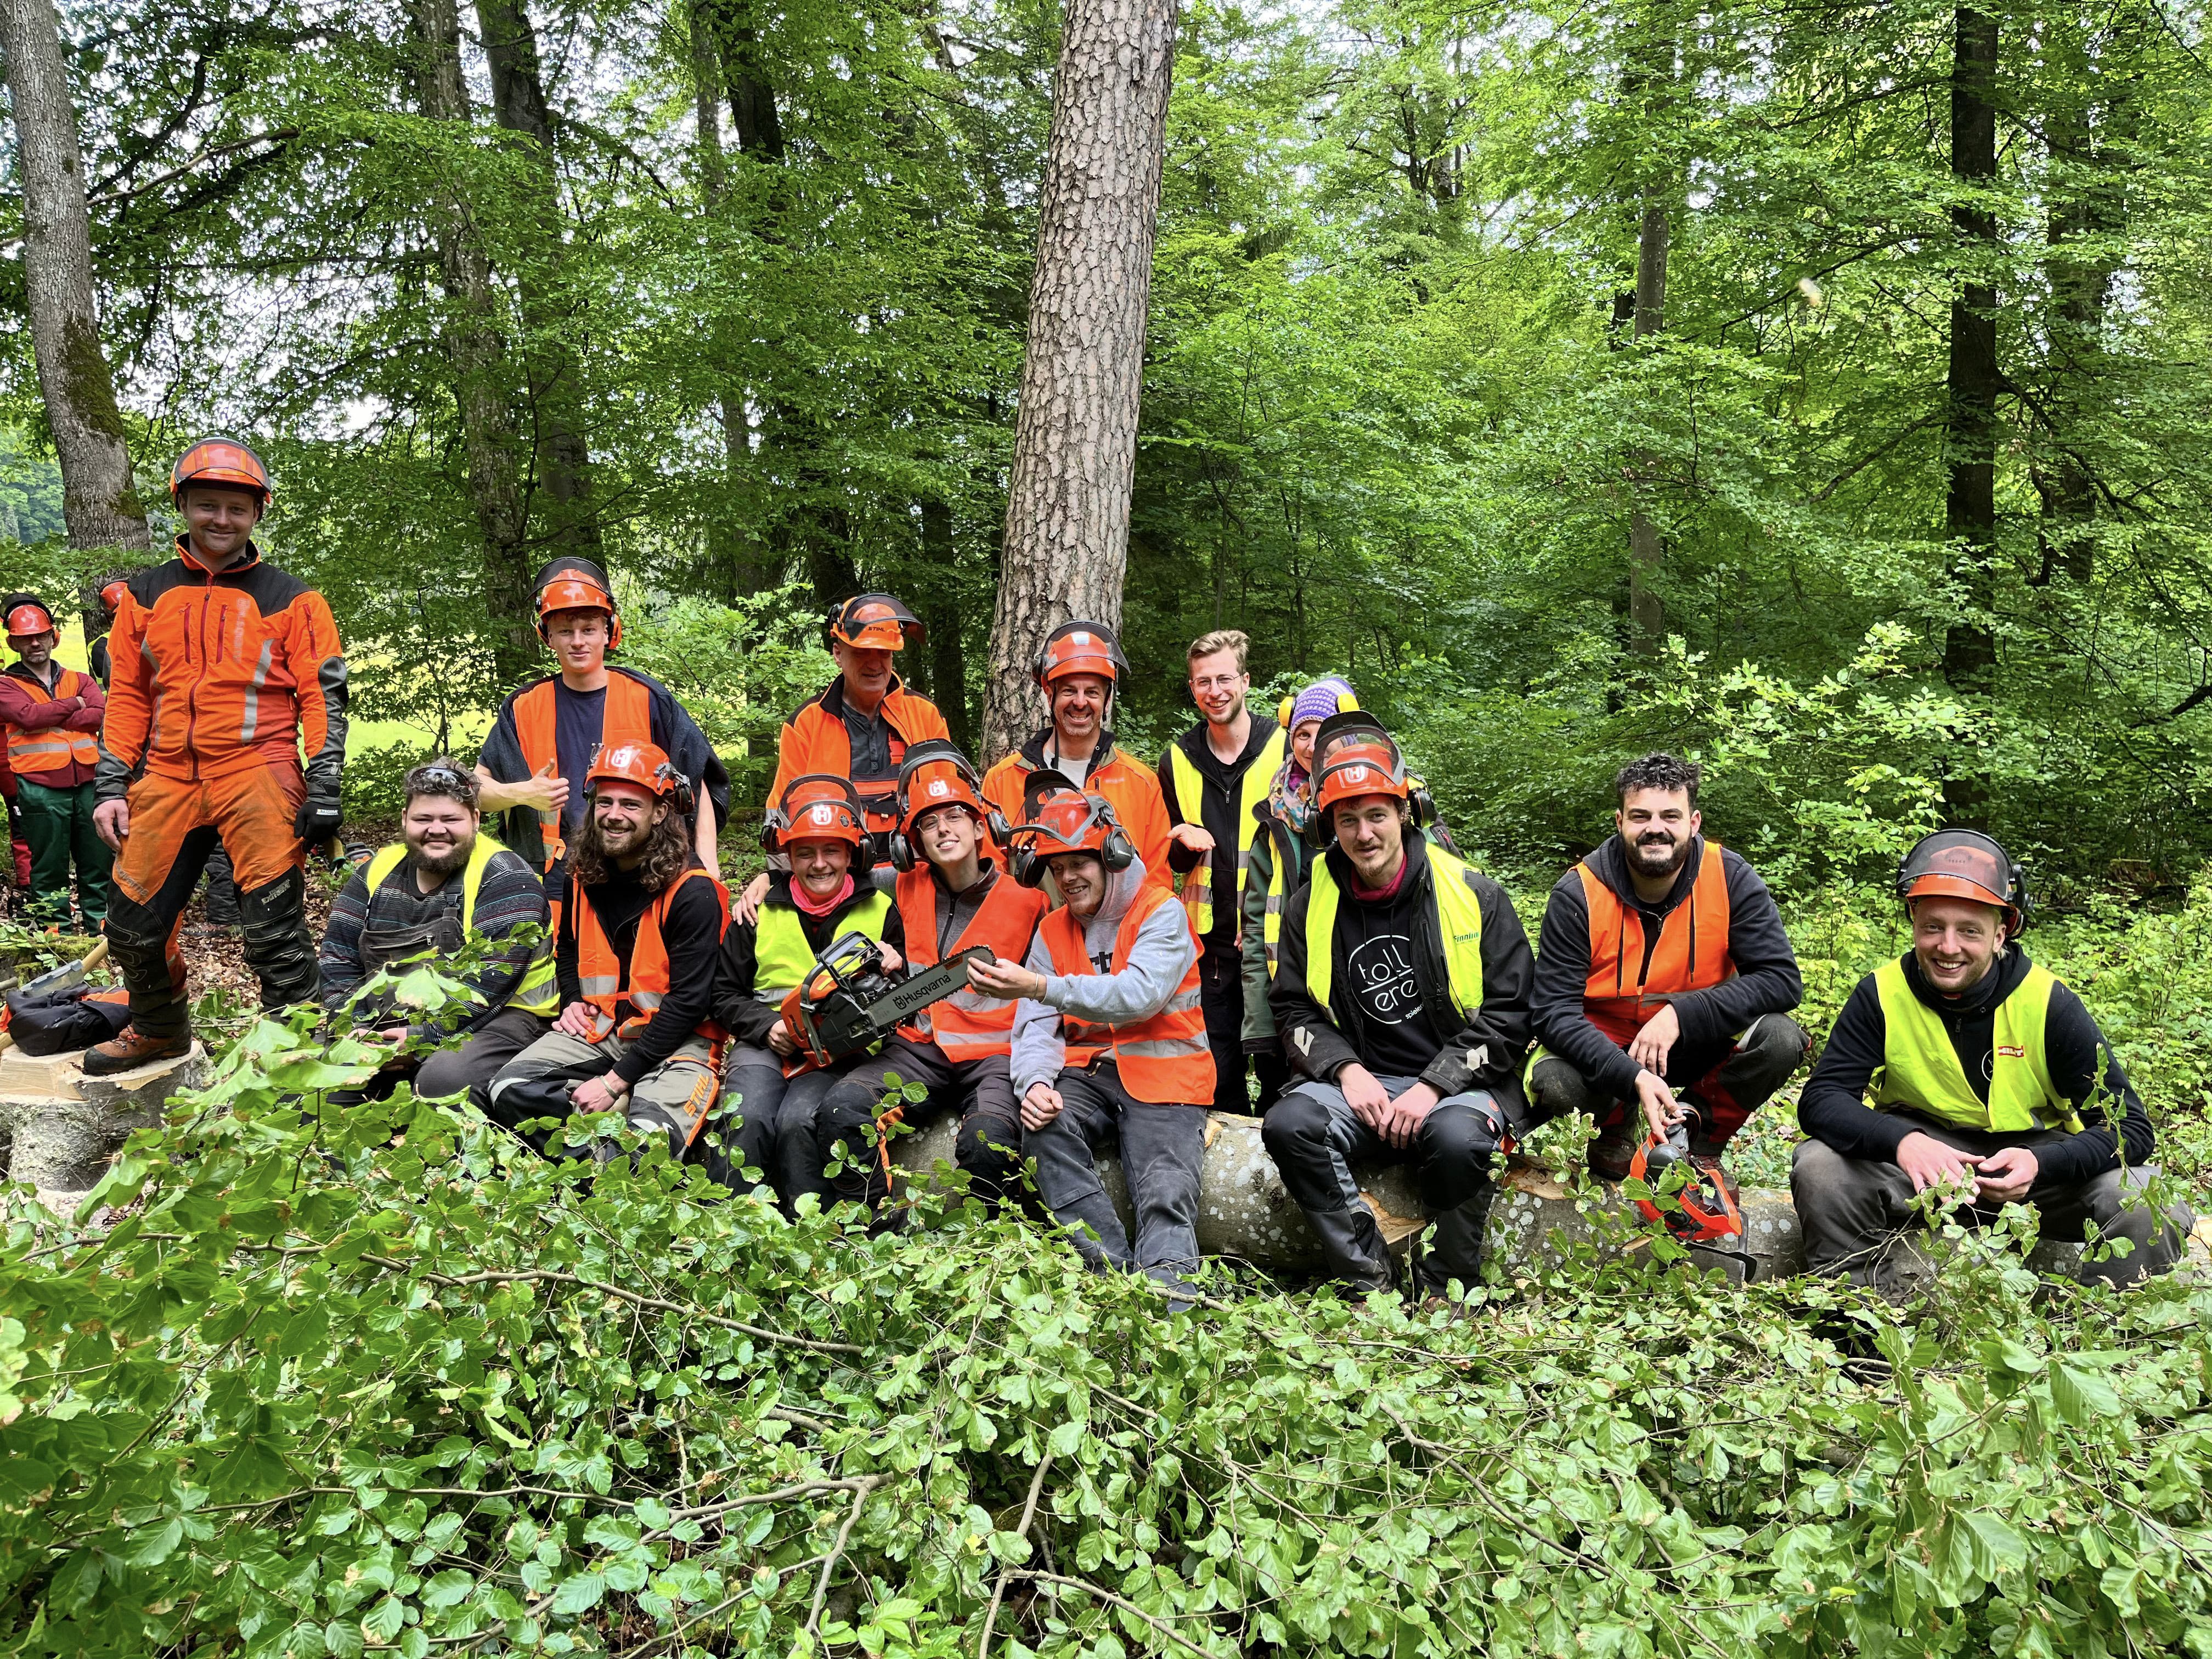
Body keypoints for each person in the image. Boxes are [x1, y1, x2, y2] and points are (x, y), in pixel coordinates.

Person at [1793, 829, 2192, 1290]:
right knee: (1820, 1166)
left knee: (2145, 1198)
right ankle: (1857, 1332)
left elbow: (2131, 1131)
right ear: (1913, 922)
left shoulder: (2048, 1002)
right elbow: (1822, 1100)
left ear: (2001, 934)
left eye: (1969, 931)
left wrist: (2041, 1164)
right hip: (1921, 1172)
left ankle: (2108, 1341)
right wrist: (1903, 1141)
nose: (1948, 947)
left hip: (2033, 1171)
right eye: (1932, 927)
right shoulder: (1881, 993)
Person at [87, 438, 348, 1075]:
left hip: (259, 770)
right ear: (183, 505)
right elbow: (127, 696)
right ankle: (159, 1031)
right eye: (208, 506)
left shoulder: (293, 597)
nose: (222, 521)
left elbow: (325, 693)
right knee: (131, 927)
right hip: (169, 774)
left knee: (274, 935)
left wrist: (326, 780)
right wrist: (111, 783)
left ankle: (300, 1062)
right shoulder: (144, 597)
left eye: (237, 508)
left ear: (257, 512)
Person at [1264, 725, 1534, 1296]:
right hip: (1362, 1081)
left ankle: (1447, 1289)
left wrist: (1435, 1085)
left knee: (1460, 1141)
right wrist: (1346, 1070)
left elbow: (1512, 1014)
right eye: (1347, 820)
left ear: (1405, 812)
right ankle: (1367, 1283)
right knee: (1291, 1125)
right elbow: (1292, 1008)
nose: (1364, 835)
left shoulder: (1473, 894)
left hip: (1461, 1080)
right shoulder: (1309, 903)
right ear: (1328, 827)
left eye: (1377, 816)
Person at [1525, 753, 1808, 1188]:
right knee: (1555, 1080)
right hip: (1608, 1047)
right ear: (1620, 822)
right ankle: (1616, 1126)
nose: (1655, 828)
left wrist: (1681, 1014)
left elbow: (1781, 981)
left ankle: (1698, 1140)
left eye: (1670, 816)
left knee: (1781, 1038)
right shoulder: (1578, 892)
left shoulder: (1730, 877)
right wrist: (1631, 1074)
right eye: (1641, 816)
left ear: (1693, 823)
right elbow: (1551, 1013)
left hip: (1696, 1040)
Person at [974, 786, 1212, 1299]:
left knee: (1165, 1191)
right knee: (1043, 1131)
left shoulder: (1160, 912)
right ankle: (1114, 1280)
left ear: (1111, 856)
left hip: (1167, 1072)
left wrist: (1041, 985)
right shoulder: (1052, 930)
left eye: (1080, 862)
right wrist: (1035, 1082)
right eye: (1057, 867)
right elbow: (1035, 1025)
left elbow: (1138, 996)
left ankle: (1172, 1303)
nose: (1068, 878)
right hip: (1090, 1073)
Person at [810, 743, 1047, 1211]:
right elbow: (831, 872)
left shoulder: (1029, 898)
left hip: (996, 1054)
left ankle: (988, 1250)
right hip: (919, 1047)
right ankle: (875, 1228)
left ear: (982, 827)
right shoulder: (901, 884)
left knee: (989, 1141)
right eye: (929, 823)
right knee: (844, 1108)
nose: (943, 830)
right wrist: (768, 880)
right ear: (911, 843)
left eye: (955, 816)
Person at [481, 742, 730, 1160]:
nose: (614, 815)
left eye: (631, 805)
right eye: (605, 802)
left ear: (661, 812)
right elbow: (569, 950)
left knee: (646, 1146)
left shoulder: (694, 892)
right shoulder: (580, 874)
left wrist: (615, 1082)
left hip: (679, 1043)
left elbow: (690, 1002)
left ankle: (619, 1134)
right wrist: (574, 1001)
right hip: (603, 1029)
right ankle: (597, 1158)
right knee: (509, 1089)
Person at [475, 556, 728, 904]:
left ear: (609, 631)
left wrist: (709, 870)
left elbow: (695, 783)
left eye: (589, 629)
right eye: (565, 630)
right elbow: (475, 791)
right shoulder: (523, 707)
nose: (578, 641)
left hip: (645, 871)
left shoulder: (649, 699)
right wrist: (522, 793)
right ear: (547, 636)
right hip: (552, 879)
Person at [710, 774, 905, 1207]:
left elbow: (899, 1000)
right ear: (788, 856)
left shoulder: (882, 909)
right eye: (806, 852)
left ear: (852, 852)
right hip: (766, 1042)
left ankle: (813, 1231)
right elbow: (724, 994)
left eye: (831, 850)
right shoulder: (758, 910)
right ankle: (730, 1224)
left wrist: (896, 966)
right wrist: (766, 1027)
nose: (820, 864)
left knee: (800, 1120)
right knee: (748, 1115)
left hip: (839, 1051)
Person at [318, 759, 556, 1102]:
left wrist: (420, 1040)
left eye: (451, 819)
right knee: (319, 1079)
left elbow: (490, 985)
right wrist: (352, 1027)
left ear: (475, 819)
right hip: (386, 1017)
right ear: (405, 820)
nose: (436, 829)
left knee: (440, 1082)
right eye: (423, 819)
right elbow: (338, 955)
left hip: (505, 1017)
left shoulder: (505, 875)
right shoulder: (376, 869)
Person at [732, 594, 949, 923]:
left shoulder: (924, 716)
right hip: (836, 883)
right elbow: (785, 813)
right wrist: (773, 879)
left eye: (884, 653)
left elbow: (949, 803)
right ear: (838, 652)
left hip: (920, 875)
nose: (875, 664)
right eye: (863, 652)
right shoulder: (807, 723)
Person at [1156, 629, 1286, 1116]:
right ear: (1193, 690)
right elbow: (1165, 857)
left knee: (1280, 1064)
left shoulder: (1282, 749)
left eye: (1225, 678)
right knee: (1220, 1070)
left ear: (1246, 681)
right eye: (1203, 681)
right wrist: (1183, 845)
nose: (1215, 690)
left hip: (1271, 938)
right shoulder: (1176, 760)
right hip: (1206, 943)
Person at [1239, 677, 1358, 1090]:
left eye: (1324, 732)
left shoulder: (1385, 802)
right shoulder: (1274, 820)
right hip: (1293, 991)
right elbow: (1256, 927)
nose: (1311, 746)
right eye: (1302, 734)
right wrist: (1259, 1022)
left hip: (1360, 986)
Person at [981, 619, 1170, 878]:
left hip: (1123, 920)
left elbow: (1157, 881)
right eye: (1069, 691)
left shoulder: (1140, 783)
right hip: (1032, 919)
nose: (1080, 703)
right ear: (1050, 696)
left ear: (1106, 700)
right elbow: (990, 880)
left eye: (1092, 692)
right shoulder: (1004, 781)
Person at [0, 595, 110, 930]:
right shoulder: (6, 684)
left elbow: (101, 714)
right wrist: (75, 705)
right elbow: (27, 717)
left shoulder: (80, 678)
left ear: (53, 637)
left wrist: (59, 713)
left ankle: (101, 933)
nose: (35, 643)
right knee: (48, 867)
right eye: (26, 638)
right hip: (39, 787)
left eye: (41, 636)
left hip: (90, 783)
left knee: (98, 863)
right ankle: (57, 936)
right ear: (13, 642)